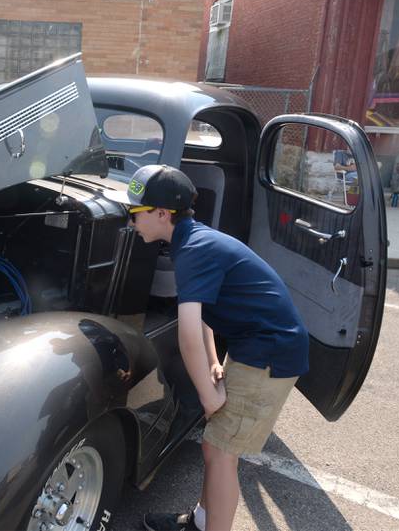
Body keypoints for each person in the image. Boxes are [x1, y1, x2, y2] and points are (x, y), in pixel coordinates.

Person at [103, 164, 309, 531]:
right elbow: (204, 316)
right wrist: (215, 362)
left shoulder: (194, 249)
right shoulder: (191, 241)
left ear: (162, 214)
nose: (131, 221)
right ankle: (200, 520)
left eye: (135, 213)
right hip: (254, 347)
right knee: (214, 448)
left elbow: (186, 335)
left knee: (221, 454)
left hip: (269, 355)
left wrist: (207, 396)